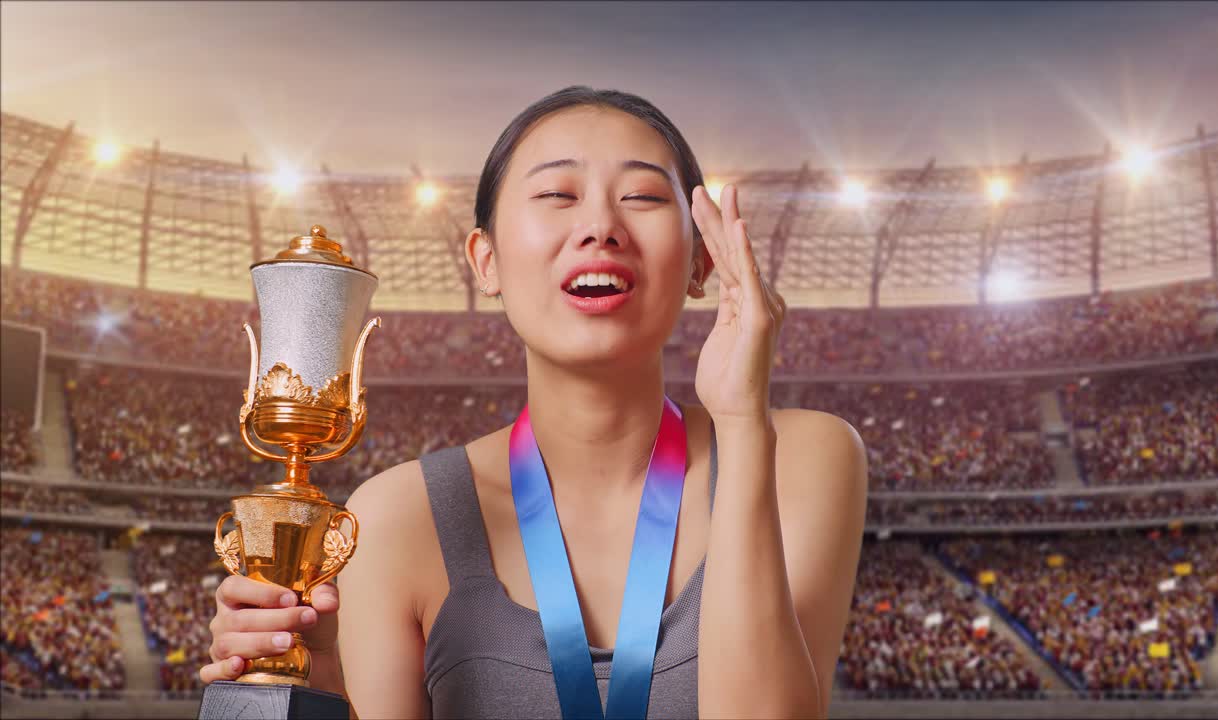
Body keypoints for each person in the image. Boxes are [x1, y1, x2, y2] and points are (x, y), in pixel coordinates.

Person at [200, 85, 868, 719]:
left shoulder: (801, 459)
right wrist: (312, 686)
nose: (600, 225)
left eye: (641, 195)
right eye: (556, 193)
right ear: (484, 260)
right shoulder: (399, 518)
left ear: (701, 262)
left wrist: (741, 421)